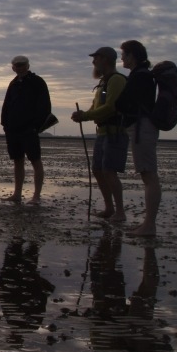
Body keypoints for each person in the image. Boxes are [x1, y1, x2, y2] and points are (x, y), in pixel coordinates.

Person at [72, 46, 128, 222]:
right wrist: (84, 116)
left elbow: (111, 107)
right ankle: (109, 208)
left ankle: (120, 212)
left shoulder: (117, 80)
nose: (93, 62)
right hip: (102, 133)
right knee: (98, 169)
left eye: (96, 58)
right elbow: (96, 107)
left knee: (110, 171)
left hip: (115, 133)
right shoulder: (104, 82)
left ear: (105, 59)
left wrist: (86, 115)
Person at [116, 40, 161, 237]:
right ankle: (148, 224)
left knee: (149, 176)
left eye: (124, 54)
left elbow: (124, 102)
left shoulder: (140, 76)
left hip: (142, 128)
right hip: (142, 127)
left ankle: (149, 225)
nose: (122, 58)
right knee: (148, 175)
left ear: (132, 55)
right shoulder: (142, 75)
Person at [0, 55, 52, 204]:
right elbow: (6, 104)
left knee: (35, 160)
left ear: (28, 66)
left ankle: (36, 196)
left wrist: (36, 126)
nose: (20, 67)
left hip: (30, 129)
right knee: (17, 160)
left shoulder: (38, 82)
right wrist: (5, 124)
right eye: (17, 65)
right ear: (13, 68)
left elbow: (45, 106)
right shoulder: (13, 83)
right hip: (13, 129)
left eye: (22, 65)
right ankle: (17, 193)